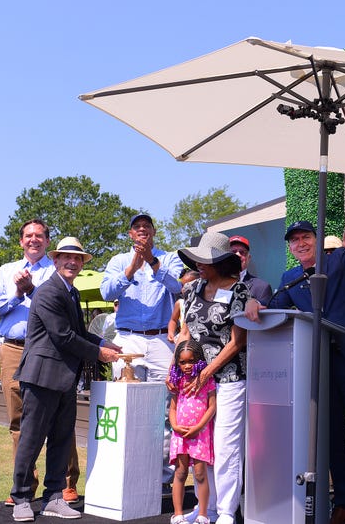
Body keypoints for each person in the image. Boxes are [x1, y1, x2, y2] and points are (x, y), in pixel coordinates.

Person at [245, 221, 345, 524]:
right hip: (321, 365)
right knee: (333, 438)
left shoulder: (337, 260)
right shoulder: (290, 278)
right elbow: (275, 309)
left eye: (306, 237)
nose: (301, 243)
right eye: (294, 240)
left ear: (317, 240)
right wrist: (255, 303)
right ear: (291, 247)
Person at [9, 237, 121, 522]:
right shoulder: (49, 292)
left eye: (78, 259)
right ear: (56, 260)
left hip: (65, 379)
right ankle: (21, 497)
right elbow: (62, 336)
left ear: (82, 264)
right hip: (41, 377)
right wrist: (99, 353)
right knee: (31, 441)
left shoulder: (71, 293)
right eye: (66, 258)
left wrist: (106, 345)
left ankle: (54, 497)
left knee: (61, 440)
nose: (72, 262)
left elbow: (79, 333)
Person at [0, 219, 82, 506]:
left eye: (40, 235)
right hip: (14, 349)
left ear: (48, 242)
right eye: (28, 235)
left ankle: (66, 483)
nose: (34, 240)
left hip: (53, 352)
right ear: (21, 241)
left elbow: (58, 308)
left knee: (61, 419)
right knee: (19, 421)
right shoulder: (5, 271)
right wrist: (16, 293)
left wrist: (32, 290)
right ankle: (23, 484)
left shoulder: (60, 268)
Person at [101, 213, 184, 488]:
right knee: (127, 406)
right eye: (137, 228)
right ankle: (129, 473)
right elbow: (106, 292)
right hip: (128, 339)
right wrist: (132, 268)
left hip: (161, 339)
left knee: (166, 408)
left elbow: (178, 287)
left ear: (154, 232)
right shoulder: (118, 261)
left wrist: (150, 261)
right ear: (130, 234)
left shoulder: (168, 257)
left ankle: (162, 477)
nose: (142, 231)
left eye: (146, 227)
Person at [174, 231, 250, 524]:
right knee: (202, 447)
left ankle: (228, 510)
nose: (198, 266)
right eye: (197, 261)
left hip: (229, 379)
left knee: (226, 445)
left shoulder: (239, 291)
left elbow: (237, 341)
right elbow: (185, 332)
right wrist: (177, 370)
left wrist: (207, 371)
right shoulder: (192, 290)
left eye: (204, 261)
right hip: (195, 380)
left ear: (219, 262)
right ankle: (208, 507)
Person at [168, 339, 216, 524]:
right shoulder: (177, 380)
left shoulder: (207, 380)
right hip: (180, 435)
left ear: (199, 360)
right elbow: (172, 408)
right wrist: (174, 425)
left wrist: (199, 427)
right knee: (180, 473)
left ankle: (203, 515)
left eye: (191, 361)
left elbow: (212, 407)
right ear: (177, 362)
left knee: (200, 474)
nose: (187, 366)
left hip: (200, 434)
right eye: (183, 362)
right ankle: (178, 514)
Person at [229, 235, 272, 305]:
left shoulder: (262, 288)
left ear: (248, 258)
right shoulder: (216, 284)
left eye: (242, 252)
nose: (237, 255)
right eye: (233, 252)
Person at [168, 269, 200, 344]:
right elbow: (173, 320)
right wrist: (171, 332)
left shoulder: (203, 303)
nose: (183, 289)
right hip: (183, 341)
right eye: (182, 285)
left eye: (188, 285)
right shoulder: (180, 303)